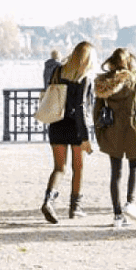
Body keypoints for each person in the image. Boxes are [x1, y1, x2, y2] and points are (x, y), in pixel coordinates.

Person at [93, 48, 136, 228]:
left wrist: (99, 133)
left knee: (115, 173)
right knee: (134, 167)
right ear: (129, 62)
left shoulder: (103, 83)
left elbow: (96, 111)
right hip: (132, 126)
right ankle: (130, 202)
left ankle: (117, 215)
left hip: (112, 129)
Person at [41, 40, 95, 223]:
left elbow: (49, 90)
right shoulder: (84, 77)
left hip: (56, 122)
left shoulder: (58, 71)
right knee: (78, 168)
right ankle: (75, 207)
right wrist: (86, 137)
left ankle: (48, 201)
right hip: (76, 127)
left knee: (59, 168)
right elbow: (81, 107)